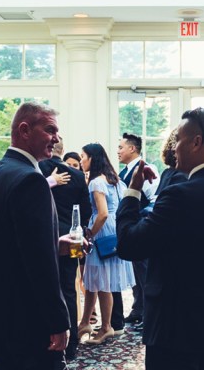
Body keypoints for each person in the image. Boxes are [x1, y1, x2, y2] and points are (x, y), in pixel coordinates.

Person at [116, 107, 204, 370]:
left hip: (173, 331)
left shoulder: (179, 196)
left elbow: (129, 245)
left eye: (178, 141)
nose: (174, 149)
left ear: (196, 142)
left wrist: (132, 191)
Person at [0, 102, 72, 370]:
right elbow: (40, 264)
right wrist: (58, 321)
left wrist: (55, 244)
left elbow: (9, 242)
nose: (57, 138)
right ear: (25, 130)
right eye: (50, 130)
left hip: (0, 311)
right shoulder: (30, 180)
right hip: (27, 316)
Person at [75, 143, 136, 345]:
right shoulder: (115, 180)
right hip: (114, 229)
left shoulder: (96, 182)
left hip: (102, 231)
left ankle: (106, 327)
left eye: (83, 156)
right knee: (93, 279)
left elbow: (102, 213)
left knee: (102, 282)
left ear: (92, 158)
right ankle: (85, 322)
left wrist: (90, 234)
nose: (81, 160)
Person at [39, 138, 91, 360]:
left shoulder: (36, 169)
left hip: (43, 237)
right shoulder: (77, 176)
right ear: (62, 151)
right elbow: (86, 211)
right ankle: (71, 345)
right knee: (69, 288)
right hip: (72, 237)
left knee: (43, 286)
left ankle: (45, 339)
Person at [116, 132, 159, 327]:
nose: (118, 151)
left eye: (121, 147)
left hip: (141, 228)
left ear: (132, 148)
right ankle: (138, 309)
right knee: (136, 274)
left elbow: (154, 198)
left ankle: (149, 315)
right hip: (130, 229)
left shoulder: (147, 169)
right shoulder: (124, 172)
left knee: (145, 274)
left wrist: (142, 220)